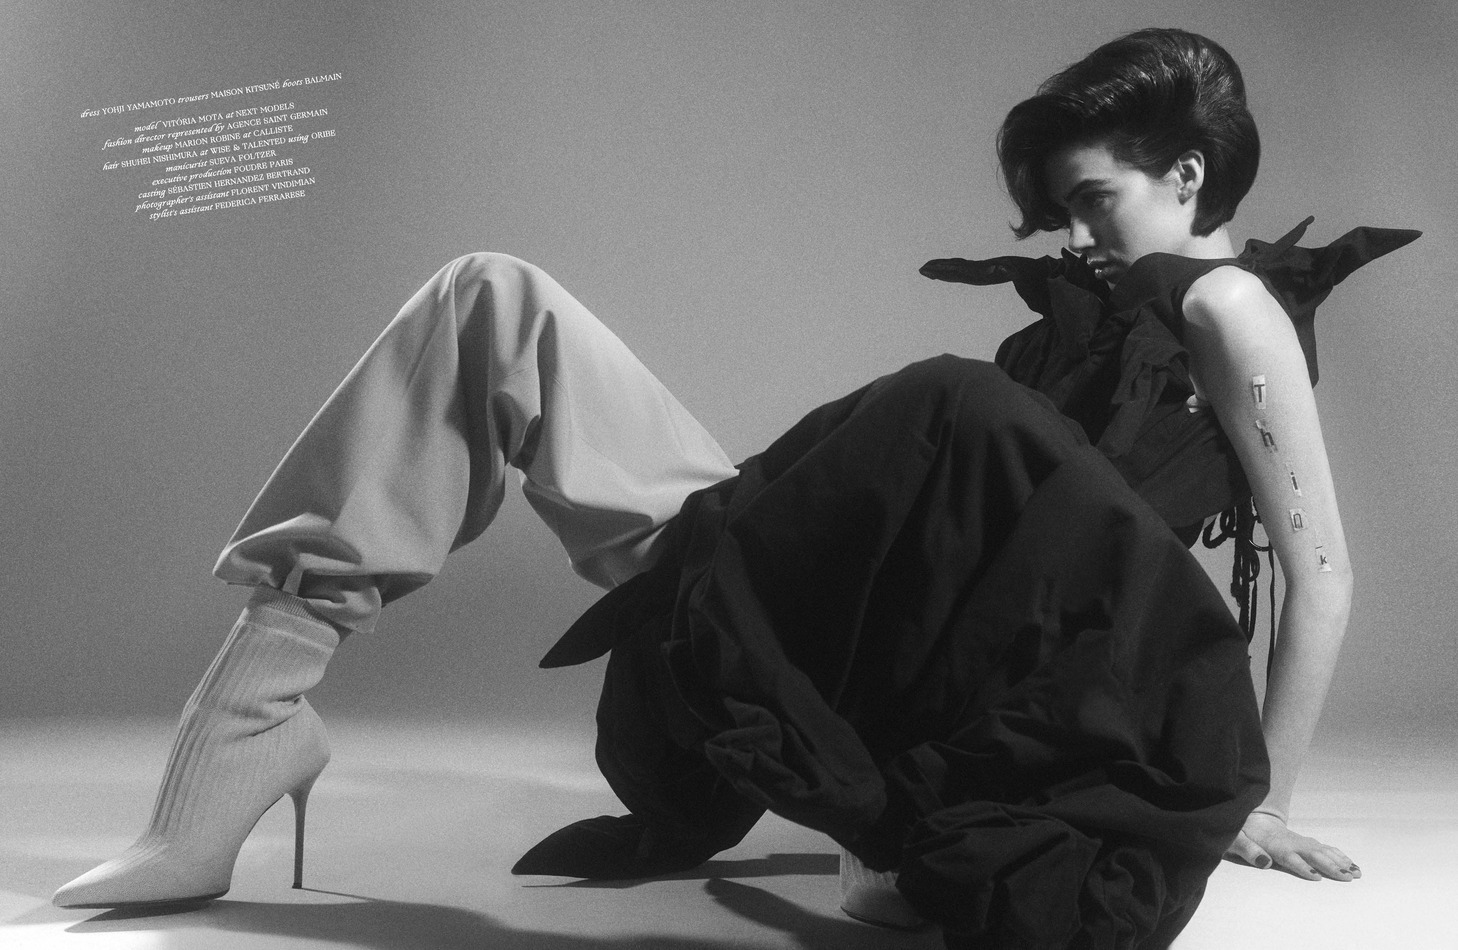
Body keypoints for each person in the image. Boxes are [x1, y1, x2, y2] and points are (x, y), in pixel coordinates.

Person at [53, 25, 1414, 948]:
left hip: (984, 667)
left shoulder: (1231, 307)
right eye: (1059, 209)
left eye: (1093, 198)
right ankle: (248, 726)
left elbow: (1320, 574)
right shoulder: (1090, 310)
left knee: (956, 401)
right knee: (492, 299)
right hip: (865, 590)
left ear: (1188, 173)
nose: (1071, 234)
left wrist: (1255, 799)